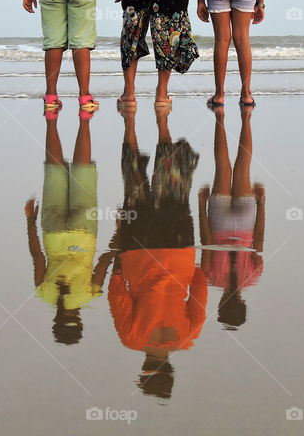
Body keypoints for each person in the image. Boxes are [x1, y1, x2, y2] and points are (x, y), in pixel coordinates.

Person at [106, 108, 206, 399]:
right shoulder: (131, 339)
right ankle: (131, 122)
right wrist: (119, 259)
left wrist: (190, 265)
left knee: (173, 190)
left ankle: (164, 123)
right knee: (135, 188)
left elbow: (199, 289)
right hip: (138, 252)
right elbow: (117, 296)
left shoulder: (188, 338)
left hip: (179, 250)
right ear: (144, 371)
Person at [25, 115, 114, 345]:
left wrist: (120, 235)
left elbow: (105, 260)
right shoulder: (44, 294)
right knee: (54, 169)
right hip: (53, 233)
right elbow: (37, 256)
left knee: (82, 170)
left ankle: (85, 118)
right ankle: (51, 117)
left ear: (80, 321)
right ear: (55, 322)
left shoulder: (90, 294)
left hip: (83, 233)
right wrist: (30, 221)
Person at [198, 107, 266, 330]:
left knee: (242, 166)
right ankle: (220, 118)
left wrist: (261, 203)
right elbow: (207, 243)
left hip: (245, 223)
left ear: (243, 303)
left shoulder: (252, 278)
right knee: (223, 165)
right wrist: (201, 204)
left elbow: (258, 242)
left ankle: (246, 117)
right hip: (220, 224)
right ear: (220, 303)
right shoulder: (212, 278)